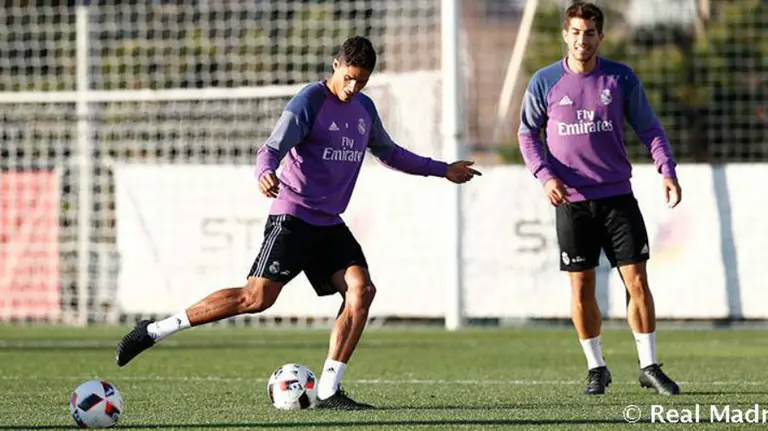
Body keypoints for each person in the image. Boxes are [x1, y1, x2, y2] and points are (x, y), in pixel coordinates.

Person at [114, 36, 481, 409]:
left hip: (329, 223)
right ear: (336, 65)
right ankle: (156, 330)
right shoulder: (310, 101)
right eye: (349, 77)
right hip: (293, 215)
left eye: (362, 81)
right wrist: (264, 173)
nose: (353, 88)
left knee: (362, 290)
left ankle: (328, 390)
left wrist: (442, 170)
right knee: (255, 299)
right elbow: (270, 149)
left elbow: (389, 153)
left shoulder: (365, 110)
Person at [517, 2, 682, 395]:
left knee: (637, 281)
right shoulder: (544, 82)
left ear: (600, 37)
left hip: (617, 197)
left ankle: (649, 365)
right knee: (581, 286)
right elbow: (527, 134)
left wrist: (667, 170)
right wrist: (545, 176)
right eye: (574, 32)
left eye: (589, 33)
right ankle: (596, 367)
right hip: (571, 202)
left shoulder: (620, 78)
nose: (581, 40)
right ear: (565, 35)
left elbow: (650, 128)